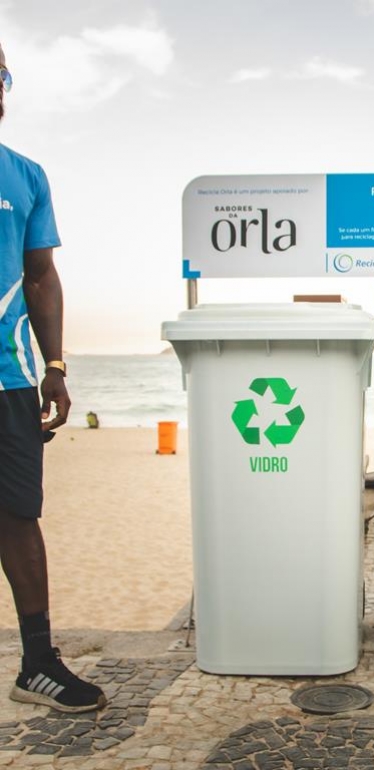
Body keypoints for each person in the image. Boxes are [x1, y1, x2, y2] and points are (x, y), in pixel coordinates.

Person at [0, 42, 106, 712]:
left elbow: (40, 275)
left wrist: (56, 368)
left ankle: (38, 663)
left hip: (8, 376)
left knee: (18, 515)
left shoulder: (25, 175)